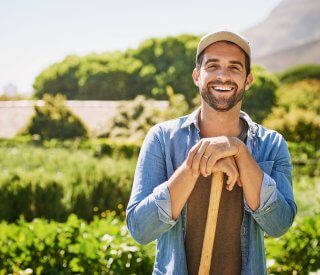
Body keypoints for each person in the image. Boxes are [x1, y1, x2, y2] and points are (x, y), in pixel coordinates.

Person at [126, 30, 297, 275]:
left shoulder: (272, 144)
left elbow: (279, 225)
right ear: (197, 76)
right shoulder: (162, 139)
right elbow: (140, 229)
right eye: (213, 65)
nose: (223, 76)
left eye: (234, 68)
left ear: (248, 79)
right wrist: (194, 165)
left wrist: (238, 151)